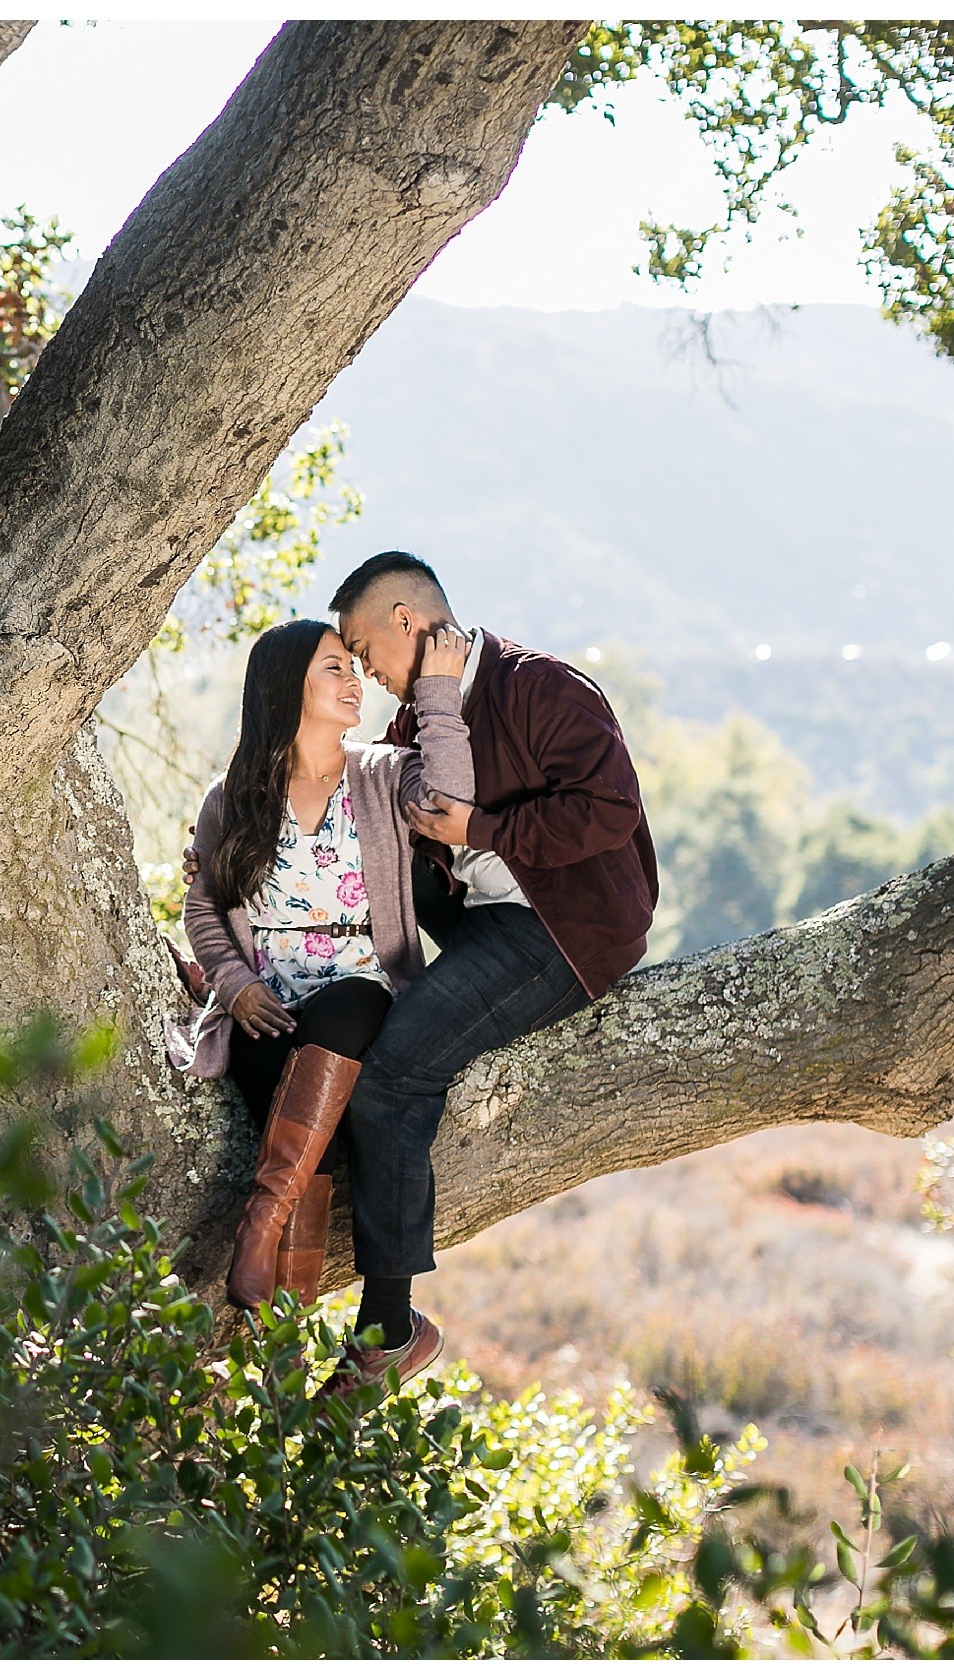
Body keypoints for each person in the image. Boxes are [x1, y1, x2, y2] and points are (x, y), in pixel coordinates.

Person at [312, 550, 658, 1402]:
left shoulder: (541, 687)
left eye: (365, 652)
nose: (368, 674)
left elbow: (608, 810)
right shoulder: (410, 725)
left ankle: (389, 1329)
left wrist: (484, 826)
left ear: (406, 621)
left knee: (393, 1076)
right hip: (476, 922)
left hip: (560, 928)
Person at [169, 616, 474, 1341]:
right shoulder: (232, 796)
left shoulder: (383, 774)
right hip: (265, 998)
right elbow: (204, 906)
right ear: (286, 686)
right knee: (308, 1121)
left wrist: (436, 692)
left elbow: (453, 800)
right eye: (334, 667)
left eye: (352, 667)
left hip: (364, 981)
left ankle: (261, 1224)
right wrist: (236, 985)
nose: (355, 680)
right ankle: (285, 1331)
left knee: (348, 1007)